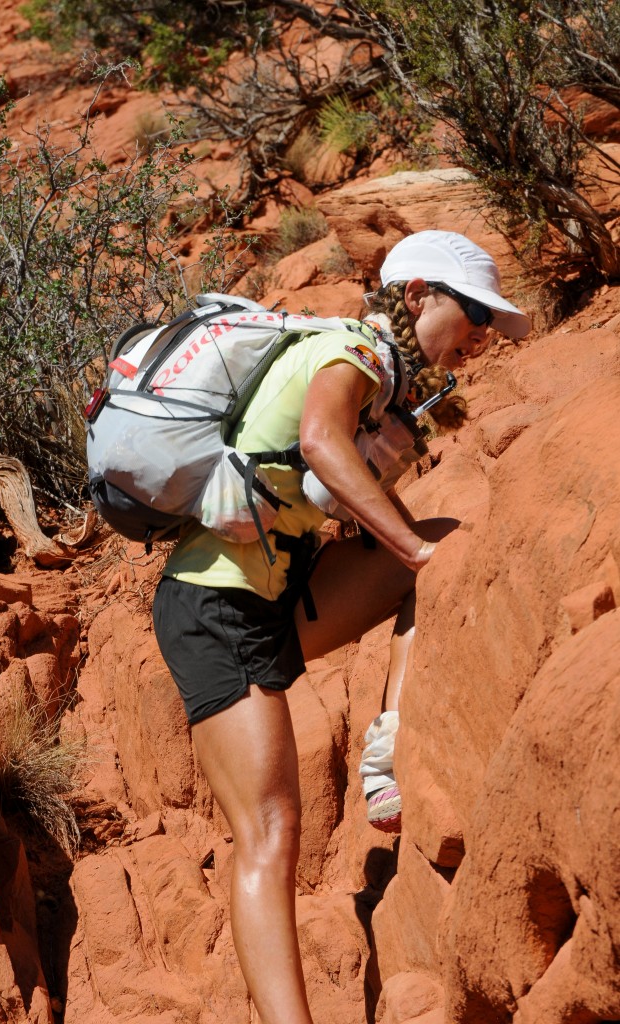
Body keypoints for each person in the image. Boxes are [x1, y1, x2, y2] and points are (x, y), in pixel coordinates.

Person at [152, 229, 531, 1024]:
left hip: (276, 599)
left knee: (441, 552)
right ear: (421, 292)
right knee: (271, 827)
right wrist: (409, 544)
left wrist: (409, 549)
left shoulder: (388, 386)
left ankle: (389, 744)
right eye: (474, 316)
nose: (479, 339)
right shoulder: (352, 351)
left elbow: (330, 493)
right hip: (213, 605)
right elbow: (321, 443)